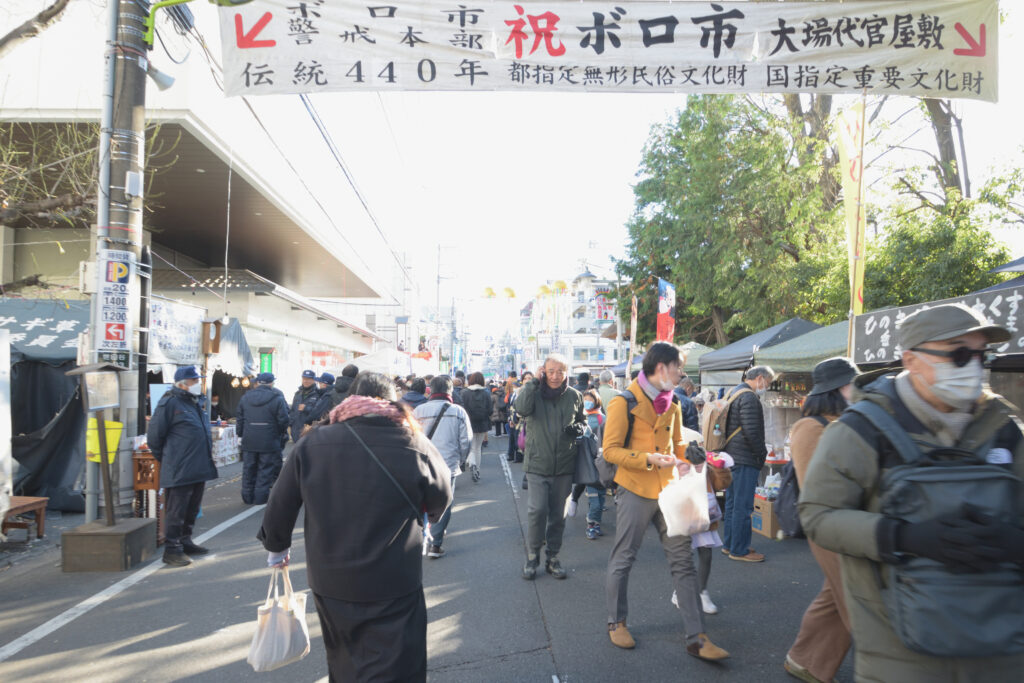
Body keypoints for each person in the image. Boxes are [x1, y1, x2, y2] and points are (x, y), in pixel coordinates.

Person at [800, 305, 1024, 682]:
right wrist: (902, 536)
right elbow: (818, 515)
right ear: (911, 360)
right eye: (959, 353)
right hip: (899, 651)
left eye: (981, 354)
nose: (973, 366)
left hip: (1001, 645)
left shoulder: (1005, 428)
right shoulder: (862, 429)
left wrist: (1013, 541)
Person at [258, 371, 452, 682]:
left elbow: (280, 502)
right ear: (393, 401)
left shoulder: (314, 442)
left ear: (351, 398)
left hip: (331, 576)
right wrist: (429, 517)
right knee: (401, 657)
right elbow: (442, 494)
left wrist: (277, 548)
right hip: (394, 575)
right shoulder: (413, 442)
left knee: (345, 655)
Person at [601, 342, 729, 660]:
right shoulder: (624, 401)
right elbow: (610, 451)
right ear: (662, 367)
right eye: (679, 368)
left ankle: (697, 637)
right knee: (624, 557)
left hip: (670, 491)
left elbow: (676, 445)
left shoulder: (671, 404)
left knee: (684, 562)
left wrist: (694, 453)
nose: (682, 374)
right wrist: (648, 459)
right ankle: (616, 622)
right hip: (634, 489)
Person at [783, 357, 858, 683]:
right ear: (839, 388)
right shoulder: (811, 427)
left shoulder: (842, 422)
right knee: (862, 604)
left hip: (852, 524)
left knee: (835, 598)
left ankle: (805, 661)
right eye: (853, 384)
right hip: (832, 527)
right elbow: (818, 487)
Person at [514, 353, 585, 580]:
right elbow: (522, 409)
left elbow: (582, 420)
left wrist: (579, 428)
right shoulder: (533, 393)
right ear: (543, 371)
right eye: (551, 371)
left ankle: (553, 557)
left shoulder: (575, 396)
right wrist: (534, 382)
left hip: (564, 463)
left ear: (567, 372)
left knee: (558, 515)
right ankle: (532, 555)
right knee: (537, 511)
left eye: (560, 371)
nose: (555, 376)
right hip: (537, 463)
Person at [147, 366, 218, 567]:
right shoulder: (170, 402)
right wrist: (168, 458)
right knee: (176, 510)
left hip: (198, 465)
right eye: (194, 381)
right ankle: (172, 548)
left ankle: (185, 540)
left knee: (191, 508)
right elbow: (155, 437)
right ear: (183, 384)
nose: (198, 384)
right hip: (179, 466)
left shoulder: (195, 403)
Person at [720, 365, 776, 563]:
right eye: (767, 383)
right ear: (760, 378)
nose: (766, 387)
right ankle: (739, 549)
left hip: (730, 456)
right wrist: (762, 454)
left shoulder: (733, 392)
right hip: (744, 458)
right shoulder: (749, 397)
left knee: (733, 504)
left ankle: (730, 544)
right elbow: (752, 432)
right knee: (743, 507)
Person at [413, 375, 472, 559]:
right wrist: (460, 460)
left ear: (430, 390)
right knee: (444, 502)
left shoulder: (418, 410)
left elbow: (411, 436)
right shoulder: (458, 411)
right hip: (447, 463)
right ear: (450, 391)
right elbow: (466, 440)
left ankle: (420, 536)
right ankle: (435, 544)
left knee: (421, 500)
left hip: (421, 462)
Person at [235, 372, 291, 505]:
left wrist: (240, 434)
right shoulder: (277, 398)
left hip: (249, 439)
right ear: (271, 383)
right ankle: (260, 498)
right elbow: (283, 420)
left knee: (249, 468)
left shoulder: (245, 397)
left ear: (258, 383)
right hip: (269, 440)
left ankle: (247, 497)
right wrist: (279, 433)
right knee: (265, 470)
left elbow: (240, 418)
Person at [566, 389, 607, 540]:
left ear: (597, 401)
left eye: (591, 399)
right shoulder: (579, 418)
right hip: (586, 461)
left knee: (600, 497)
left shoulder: (603, 418)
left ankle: (594, 522)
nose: (588, 402)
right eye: (585, 399)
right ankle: (592, 524)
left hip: (601, 462)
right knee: (594, 496)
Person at [461, 372, 493, 483]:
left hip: (468, 424)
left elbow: (462, 409)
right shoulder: (486, 393)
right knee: (478, 447)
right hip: (482, 423)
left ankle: (472, 463)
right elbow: (490, 410)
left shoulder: (464, 393)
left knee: (470, 446)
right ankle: (477, 470)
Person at [289, 369, 319, 442]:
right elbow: (293, 410)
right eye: (304, 379)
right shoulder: (298, 393)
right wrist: (290, 424)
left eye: (308, 379)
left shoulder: (318, 394)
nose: (306, 381)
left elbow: (319, 413)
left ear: (314, 380)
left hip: (309, 430)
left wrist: (306, 408)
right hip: (296, 430)